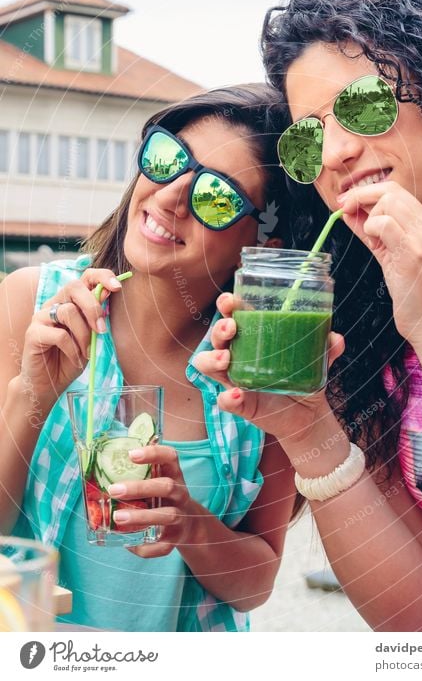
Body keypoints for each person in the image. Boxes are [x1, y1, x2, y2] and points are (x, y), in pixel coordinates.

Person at [195, 0, 422, 632]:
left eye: (364, 107)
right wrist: (307, 428)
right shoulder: (367, 322)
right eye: (307, 136)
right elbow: (413, 617)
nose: (339, 151)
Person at [0, 84, 296, 632]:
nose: (169, 197)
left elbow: (255, 587)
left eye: (216, 195)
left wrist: (191, 523)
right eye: (167, 160)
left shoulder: (266, 367)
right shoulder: (30, 305)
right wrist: (32, 396)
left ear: (264, 243)